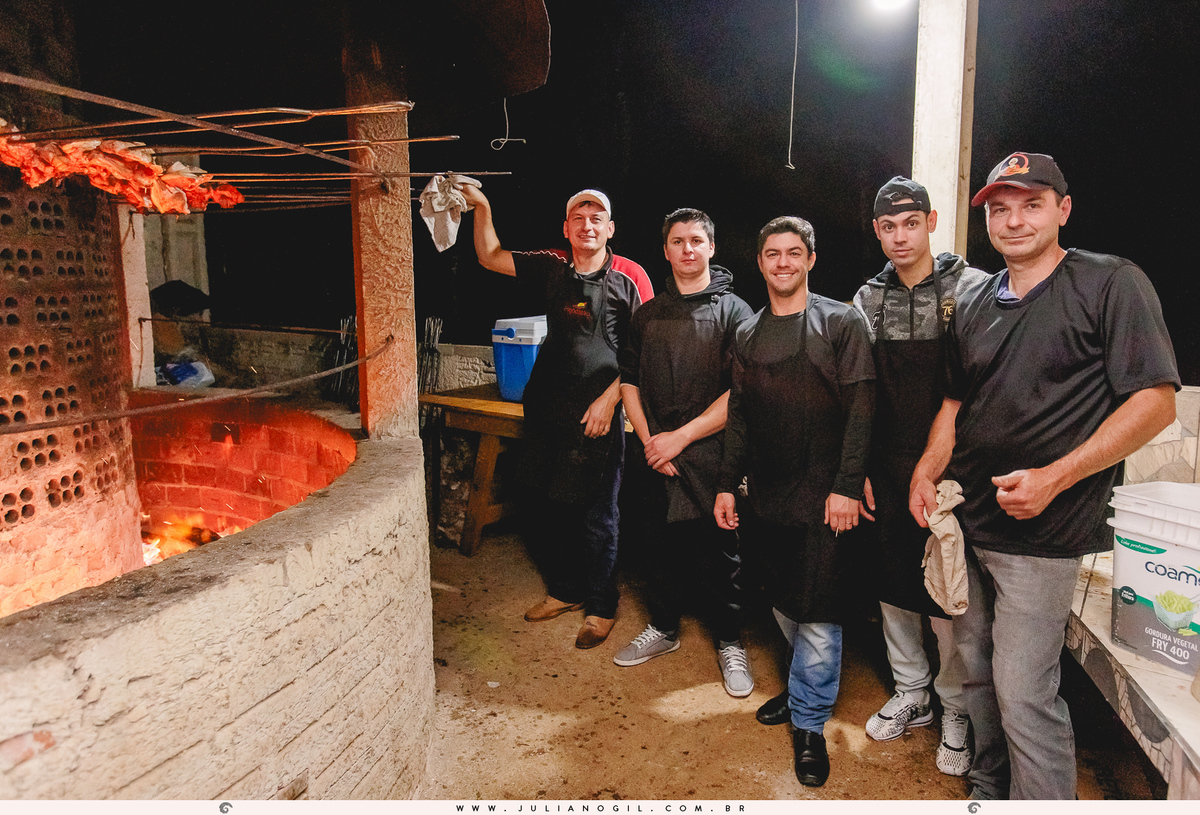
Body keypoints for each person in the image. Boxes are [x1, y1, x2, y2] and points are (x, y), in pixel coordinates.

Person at [908, 152, 1179, 800]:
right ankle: (987, 782)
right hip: (965, 520)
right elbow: (954, 403)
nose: (1014, 219)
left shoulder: (1110, 282)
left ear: (1063, 209)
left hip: (1041, 532)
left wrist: (1057, 477)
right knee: (972, 667)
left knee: (1023, 690)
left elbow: (1157, 401)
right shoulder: (973, 302)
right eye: (1000, 208)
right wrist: (925, 471)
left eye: (1032, 204)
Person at [714, 216, 874, 787]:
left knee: (819, 610)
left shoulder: (840, 322)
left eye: (794, 253)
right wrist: (728, 483)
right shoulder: (749, 334)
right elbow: (739, 415)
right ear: (760, 263)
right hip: (770, 493)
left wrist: (848, 486)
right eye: (772, 254)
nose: (783, 263)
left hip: (827, 494)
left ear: (810, 259)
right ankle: (804, 687)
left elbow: (861, 410)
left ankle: (808, 725)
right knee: (784, 598)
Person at [460, 184, 653, 649]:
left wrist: (611, 402)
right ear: (566, 228)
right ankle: (565, 590)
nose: (588, 225)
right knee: (546, 502)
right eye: (578, 218)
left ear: (610, 228)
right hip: (547, 404)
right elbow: (489, 256)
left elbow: (645, 351)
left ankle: (601, 606)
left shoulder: (630, 276)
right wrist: (483, 206)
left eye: (597, 218)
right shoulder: (551, 265)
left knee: (598, 513)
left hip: (599, 412)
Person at [852, 177, 990, 776]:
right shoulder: (866, 299)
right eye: (888, 226)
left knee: (945, 589)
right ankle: (913, 693)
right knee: (890, 583)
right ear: (877, 230)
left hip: (953, 467)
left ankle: (956, 707)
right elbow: (856, 392)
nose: (900, 236)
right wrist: (856, 468)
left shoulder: (973, 288)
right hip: (884, 462)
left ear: (932, 222)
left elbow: (979, 392)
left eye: (911, 223)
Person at [615, 208, 756, 695]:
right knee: (657, 546)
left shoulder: (735, 312)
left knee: (721, 555)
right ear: (667, 250)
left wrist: (681, 437)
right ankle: (664, 628)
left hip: (711, 452)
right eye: (678, 241)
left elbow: (740, 392)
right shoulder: (648, 314)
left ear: (711, 248)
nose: (687, 249)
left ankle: (730, 641)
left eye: (697, 240)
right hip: (655, 452)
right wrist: (652, 440)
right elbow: (628, 381)